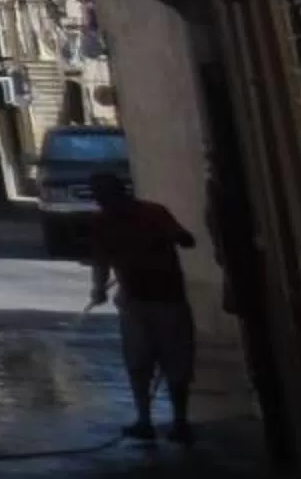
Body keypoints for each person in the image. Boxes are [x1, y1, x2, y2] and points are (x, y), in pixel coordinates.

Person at [86, 170, 199, 442]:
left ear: (120, 193)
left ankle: (180, 421)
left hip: (168, 300)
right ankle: (145, 421)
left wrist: (177, 237)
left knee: (176, 365)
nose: (102, 201)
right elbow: (101, 260)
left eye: (106, 195)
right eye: (99, 196)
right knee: (138, 363)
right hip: (134, 303)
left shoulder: (154, 213)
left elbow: (186, 239)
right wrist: (98, 288)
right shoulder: (102, 223)